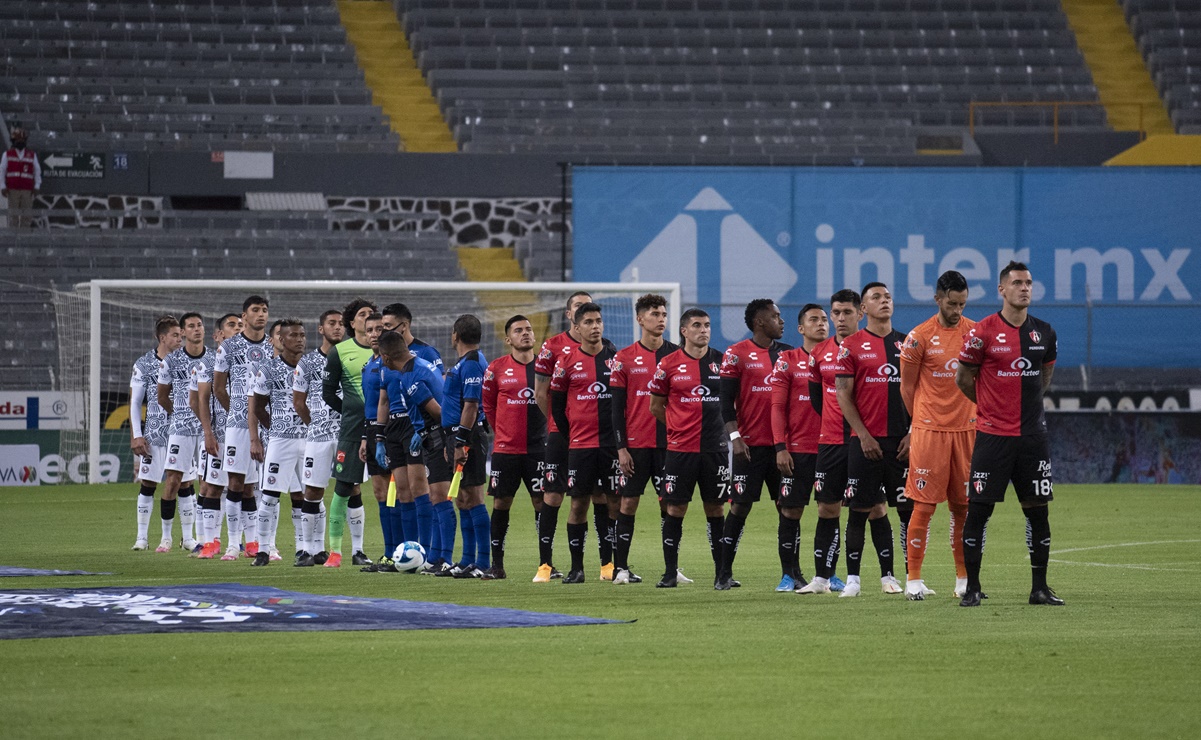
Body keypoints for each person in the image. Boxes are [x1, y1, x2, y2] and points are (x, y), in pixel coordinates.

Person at [956, 261, 1063, 607]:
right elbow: (963, 378)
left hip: (1033, 437)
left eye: (1029, 282)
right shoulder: (983, 331)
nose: (1025, 288)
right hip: (992, 436)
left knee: (1037, 511)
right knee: (978, 511)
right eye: (1017, 282)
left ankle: (1040, 588)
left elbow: (1043, 378)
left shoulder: (1044, 333)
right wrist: (988, 405)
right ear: (1002, 290)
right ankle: (972, 587)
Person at [899, 270, 976, 600]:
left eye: (962, 303)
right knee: (924, 506)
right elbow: (906, 387)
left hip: (967, 430)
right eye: (951, 303)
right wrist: (922, 420)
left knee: (964, 507)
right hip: (930, 430)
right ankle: (913, 579)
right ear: (937, 299)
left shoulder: (975, 333)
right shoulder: (919, 337)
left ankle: (963, 579)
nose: (957, 310)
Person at [834, 282, 910, 598]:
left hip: (904, 443)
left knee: (910, 512)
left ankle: (908, 577)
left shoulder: (909, 343)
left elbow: (924, 393)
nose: (884, 301)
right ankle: (853, 579)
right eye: (876, 298)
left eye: (888, 296)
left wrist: (913, 432)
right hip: (864, 442)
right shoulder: (850, 345)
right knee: (859, 510)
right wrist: (863, 435)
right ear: (864, 309)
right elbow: (842, 394)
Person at [647, 308, 728, 588]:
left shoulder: (723, 362)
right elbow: (655, 406)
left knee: (716, 509)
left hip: (715, 449)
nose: (703, 330)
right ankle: (670, 572)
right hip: (680, 450)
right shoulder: (668, 364)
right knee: (675, 508)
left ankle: (722, 573)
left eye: (706, 325)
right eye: (696, 325)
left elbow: (734, 404)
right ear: (684, 331)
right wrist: (677, 426)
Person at [717, 298, 793, 590]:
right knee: (740, 507)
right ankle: (723, 573)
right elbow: (725, 403)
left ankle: (791, 573)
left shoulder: (789, 355)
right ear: (760, 322)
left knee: (788, 509)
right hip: (749, 447)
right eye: (776, 316)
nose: (781, 320)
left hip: (781, 448)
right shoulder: (736, 354)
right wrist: (735, 438)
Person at [544, 302, 619, 584]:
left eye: (598, 321)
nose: (595, 326)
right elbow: (558, 408)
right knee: (578, 505)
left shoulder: (615, 359)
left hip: (611, 446)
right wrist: (571, 435)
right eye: (588, 322)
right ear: (577, 327)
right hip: (581, 446)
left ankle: (611, 565)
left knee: (614, 503)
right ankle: (577, 568)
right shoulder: (565, 363)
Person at [610, 293, 680, 585]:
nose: (660, 319)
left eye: (663, 314)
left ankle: (671, 570)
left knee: (671, 505)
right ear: (640, 319)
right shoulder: (623, 359)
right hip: (636, 446)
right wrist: (621, 447)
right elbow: (615, 408)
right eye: (654, 314)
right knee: (628, 504)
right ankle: (621, 569)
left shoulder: (678, 355)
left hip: (670, 445)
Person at [797, 289, 862, 595]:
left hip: (863, 440)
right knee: (827, 509)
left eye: (846, 312)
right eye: (835, 313)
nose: (839, 319)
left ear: (860, 314)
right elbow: (817, 401)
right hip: (830, 442)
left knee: (870, 508)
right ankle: (822, 578)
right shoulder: (819, 353)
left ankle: (884, 577)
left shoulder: (869, 347)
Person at [534, 291, 599, 580]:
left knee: (595, 496)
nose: (585, 311)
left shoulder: (603, 348)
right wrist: (561, 424)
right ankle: (545, 564)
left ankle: (607, 565)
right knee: (553, 495)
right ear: (569, 314)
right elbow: (540, 393)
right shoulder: (552, 346)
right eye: (579, 306)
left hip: (594, 437)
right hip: (562, 433)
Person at [480, 315, 547, 580]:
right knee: (501, 502)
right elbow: (488, 405)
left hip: (540, 449)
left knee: (542, 502)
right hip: (506, 450)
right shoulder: (496, 368)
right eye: (519, 330)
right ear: (508, 339)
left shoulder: (546, 366)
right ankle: (497, 565)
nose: (526, 333)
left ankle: (546, 564)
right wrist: (503, 432)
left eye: (529, 329)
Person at [377, 329, 450, 571]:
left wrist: (426, 432)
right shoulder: (419, 365)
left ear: (386, 358)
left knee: (439, 496)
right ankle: (435, 560)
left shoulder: (411, 376)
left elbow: (438, 412)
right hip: (433, 434)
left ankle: (442, 559)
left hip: (438, 436)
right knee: (437, 496)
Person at [769, 303, 828, 592]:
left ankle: (826, 576)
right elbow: (777, 407)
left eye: (824, 319)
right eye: (813, 320)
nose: (821, 323)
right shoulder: (787, 360)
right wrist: (780, 446)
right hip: (797, 449)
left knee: (830, 510)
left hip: (831, 447)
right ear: (801, 328)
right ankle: (789, 575)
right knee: (791, 512)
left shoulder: (839, 357)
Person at [320, 298, 377, 569]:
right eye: (362, 315)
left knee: (392, 487)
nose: (368, 319)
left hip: (387, 429)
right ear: (352, 323)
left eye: (371, 314)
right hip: (353, 430)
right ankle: (335, 552)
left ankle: (361, 551)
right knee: (344, 487)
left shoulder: (385, 351)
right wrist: (352, 411)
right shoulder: (340, 352)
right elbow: (328, 393)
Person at [213, 296, 271, 558]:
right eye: (255, 310)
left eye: (264, 310)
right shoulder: (229, 347)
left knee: (261, 486)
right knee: (236, 483)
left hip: (270, 423)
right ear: (244, 316)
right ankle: (232, 544)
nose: (261, 315)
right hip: (237, 425)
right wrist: (237, 412)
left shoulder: (273, 347)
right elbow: (217, 387)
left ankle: (257, 543)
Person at [248, 320, 309, 566]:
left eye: (303, 335)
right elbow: (258, 407)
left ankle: (305, 549)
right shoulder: (268, 369)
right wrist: (276, 428)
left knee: (307, 496)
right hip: (281, 441)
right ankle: (263, 550)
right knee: (270, 496)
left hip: (308, 439)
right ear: (281, 340)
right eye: (294, 335)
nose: (300, 339)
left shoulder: (312, 366)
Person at [290, 309, 343, 565]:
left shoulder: (352, 358)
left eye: (341, 324)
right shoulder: (308, 363)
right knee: (312, 491)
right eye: (332, 323)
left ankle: (352, 551)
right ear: (321, 329)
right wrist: (316, 425)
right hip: (318, 437)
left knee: (351, 489)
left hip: (346, 436)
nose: (338, 327)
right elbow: (298, 402)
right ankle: (308, 550)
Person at [442, 314, 490, 579]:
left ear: (455, 336)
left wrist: (460, 440)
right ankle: (467, 560)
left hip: (467, 436)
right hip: (457, 435)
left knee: (473, 496)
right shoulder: (465, 363)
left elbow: (471, 405)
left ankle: (482, 563)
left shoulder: (471, 363)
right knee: (462, 498)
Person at [156, 312, 208, 554]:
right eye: (191, 326)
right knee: (173, 481)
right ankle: (166, 537)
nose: (196, 329)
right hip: (181, 429)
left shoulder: (215, 359)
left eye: (199, 325)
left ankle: (194, 538)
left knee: (206, 483)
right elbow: (162, 396)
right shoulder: (171, 361)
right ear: (184, 332)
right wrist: (179, 414)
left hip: (209, 429)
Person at [130, 316, 182, 551]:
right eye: (175, 335)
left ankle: (188, 538)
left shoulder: (186, 361)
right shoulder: (143, 364)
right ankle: (141, 537)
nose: (180, 339)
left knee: (186, 484)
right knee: (148, 484)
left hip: (184, 433)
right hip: (155, 434)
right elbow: (135, 402)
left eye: (181, 335)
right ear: (162, 338)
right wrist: (136, 435)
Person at [193, 313, 240, 559]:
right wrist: (207, 432)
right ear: (219, 334)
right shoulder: (209, 363)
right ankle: (210, 542)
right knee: (211, 487)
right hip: (220, 437)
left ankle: (243, 541)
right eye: (232, 326)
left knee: (245, 489)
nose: (238, 329)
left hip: (245, 436)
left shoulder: (251, 360)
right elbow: (198, 401)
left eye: (239, 325)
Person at [1, 126, 41, 228]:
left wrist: (37, 186)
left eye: (22, 139)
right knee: (13, 215)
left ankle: (25, 238)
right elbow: (2, 171)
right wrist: (2, 186)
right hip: (12, 189)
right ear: (13, 140)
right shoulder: (7, 154)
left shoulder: (32, 155)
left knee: (27, 215)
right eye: (18, 139)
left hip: (27, 190)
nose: (20, 141)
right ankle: (13, 238)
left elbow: (37, 170)